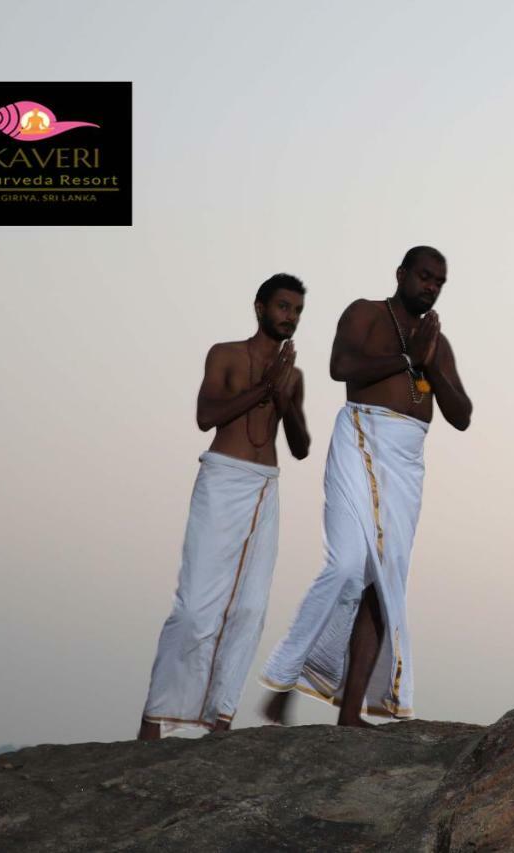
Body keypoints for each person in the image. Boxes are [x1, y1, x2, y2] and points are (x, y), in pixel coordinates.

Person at [260, 246, 471, 724]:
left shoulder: (438, 341)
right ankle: (285, 678)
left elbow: (462, 416)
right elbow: (341, 368)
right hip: (361, 438)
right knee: (347, 566)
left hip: (407, 459)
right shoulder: (366, 313)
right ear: (401, 274)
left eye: (439, 281)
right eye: (424, 276)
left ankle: (350, 713)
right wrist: (404, 358)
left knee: (382, 585)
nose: (431, 287)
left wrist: (431, 366)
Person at [138, 274, 310, 739]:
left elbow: (300, 446)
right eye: (282, 307)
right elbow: (205, 416)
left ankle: (221, 720)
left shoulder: (292, 375)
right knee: (195, 607)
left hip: (266, 486)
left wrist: (284, 397)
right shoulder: (225, 354)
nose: (289, 316)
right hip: (221, 478)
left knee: (250, 608)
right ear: (260, 307)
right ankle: (154, 720)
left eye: (296, 310)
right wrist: (262, 388)